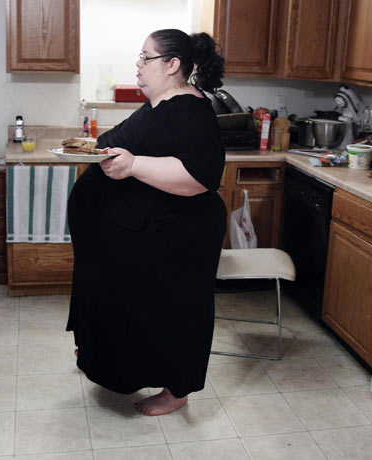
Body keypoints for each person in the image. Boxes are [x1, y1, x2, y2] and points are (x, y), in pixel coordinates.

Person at [66, 29, 227, 416]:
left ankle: (177, 391)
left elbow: (199, 177)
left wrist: (134, 165)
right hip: (140, 235)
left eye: (145, 58)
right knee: (126, 304)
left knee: (172, 313)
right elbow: (118, 141)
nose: (137, 66)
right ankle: (105, 354)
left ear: (172, 65)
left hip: (175, 238)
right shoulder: (160, 104)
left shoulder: (191, 110)